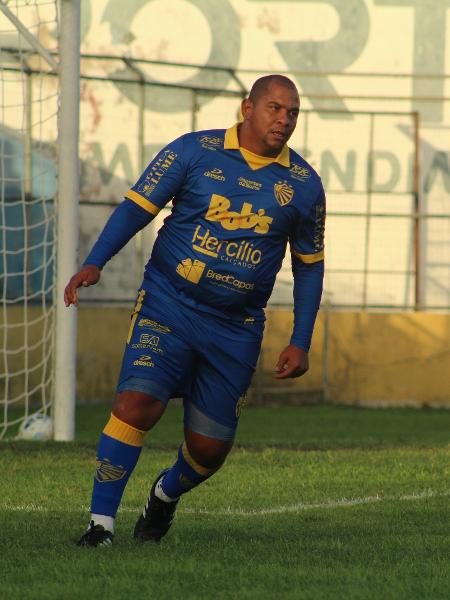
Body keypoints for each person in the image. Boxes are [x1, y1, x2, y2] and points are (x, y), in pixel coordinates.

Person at [65, 74, 325, 547]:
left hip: (236, 327)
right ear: (247, 108)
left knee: (209, 450)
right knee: (136, 404)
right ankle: (100, 526)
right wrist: (94, 262)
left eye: (292, 113)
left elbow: (309, 268)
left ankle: (164, 495)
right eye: (274, 108)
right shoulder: (192, 151)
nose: (283, 120)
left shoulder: (304, 185)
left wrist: (300, 339)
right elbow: (136, 208)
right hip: (169, 304)